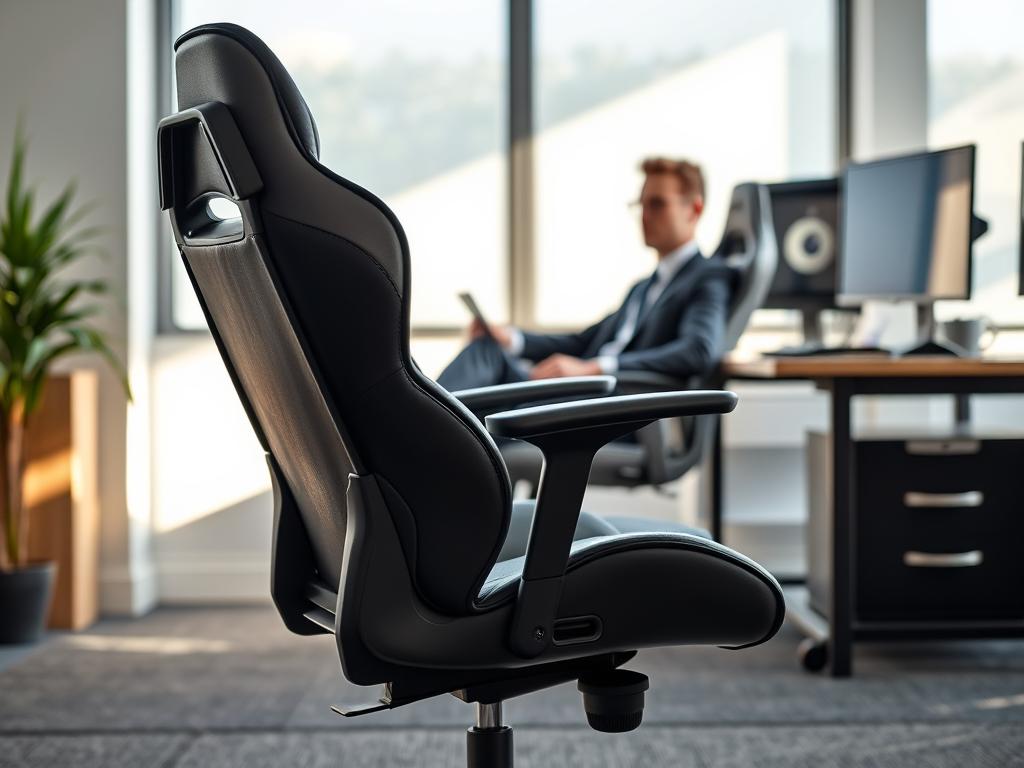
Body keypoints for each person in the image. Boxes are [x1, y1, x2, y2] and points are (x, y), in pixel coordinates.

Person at [437, 157, 730, 392]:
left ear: (694, 209)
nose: (644, 215)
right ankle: (421, 440)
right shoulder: (643, 288)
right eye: (640, 204)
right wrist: (511, 338)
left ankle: (414, 436)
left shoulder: (708, 277)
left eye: (657, 204)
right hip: (575, 392)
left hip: (604, 409)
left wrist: (597, 368)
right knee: (488, 350)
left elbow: (698, 351)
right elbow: (581, 342)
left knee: (483, 361)